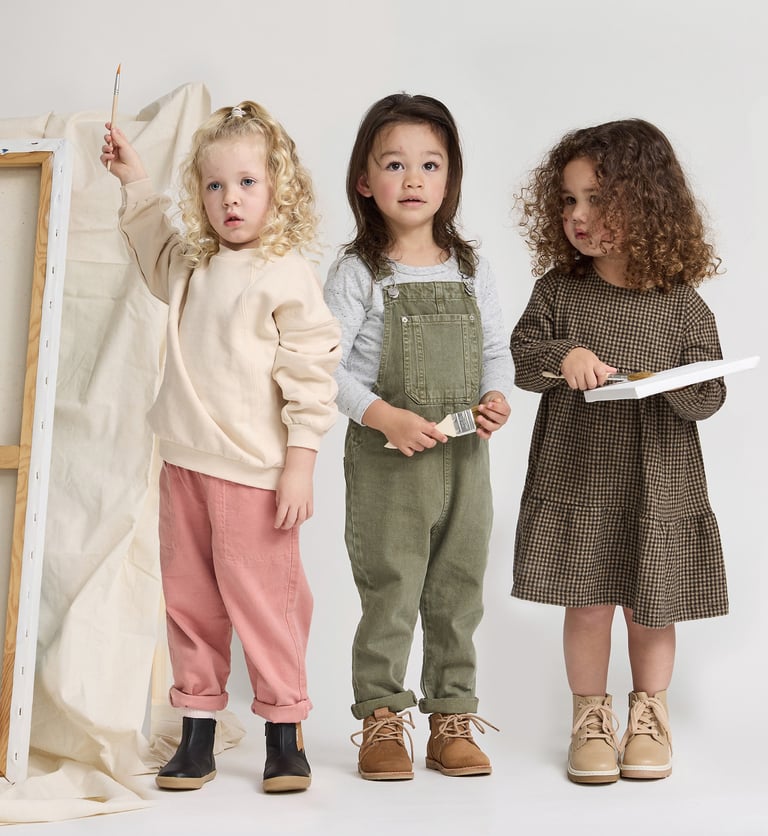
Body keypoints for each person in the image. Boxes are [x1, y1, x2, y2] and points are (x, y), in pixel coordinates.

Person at [100, 101, 341, 793]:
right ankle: (197, 732)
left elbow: (310, 373)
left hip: (254, 476)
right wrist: (133, 177)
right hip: (184, 466)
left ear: (278, 190)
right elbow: (152, 243)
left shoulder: (284, 272)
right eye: (213, 186)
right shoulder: (192, 265)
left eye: (247, 184)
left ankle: (283, 731)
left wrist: (300, 462)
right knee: (190, 604)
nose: (229, 199)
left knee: (267, 605)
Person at [510, 118, 727, 784]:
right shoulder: (559, 292)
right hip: (582, 474)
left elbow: (710, 390)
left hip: (659, 480)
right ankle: (589, 717)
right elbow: (523, 358)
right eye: (568, 200)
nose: (577, 215)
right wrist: (564, 356)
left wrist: (675, 386)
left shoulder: (681, 305)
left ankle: (650, 715)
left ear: (647, 203)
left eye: (595, 200)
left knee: (649, 601)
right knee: (589, 599)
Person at [323, 93, 514, 781]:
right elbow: (326, 369)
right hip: (387, 464)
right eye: (395, 164)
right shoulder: (358, 273)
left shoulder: (471, 268)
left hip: (466, 459)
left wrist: (496, 395)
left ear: (449, 177)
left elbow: (497, 349)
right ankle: (381, 718)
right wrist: (382, 417)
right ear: (363, 181)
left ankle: (451, 717)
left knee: (459, 589)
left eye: (429, 164)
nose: (412, 180)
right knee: (391, 589)